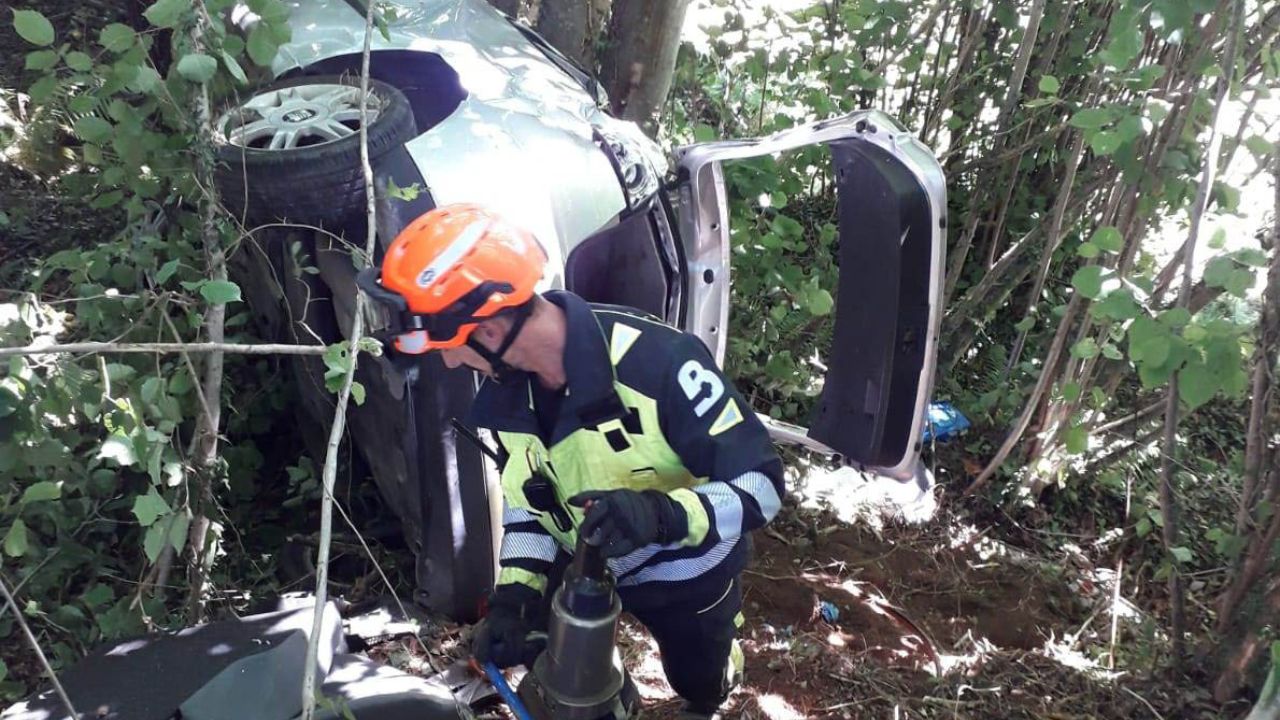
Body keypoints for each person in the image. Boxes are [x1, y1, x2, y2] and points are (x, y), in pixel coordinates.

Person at [358, 204, 785, 718]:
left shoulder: (662, 366)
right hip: (582, 562)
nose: (448, 361)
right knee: (559, 666)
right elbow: (527, 500)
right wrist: (516, 594)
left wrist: (664, 515)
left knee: (698, 681)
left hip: (687, 570)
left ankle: (712, 677)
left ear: (490, 328)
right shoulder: (505, 393)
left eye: (449, 346)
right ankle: (612, 695)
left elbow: (761, 486)